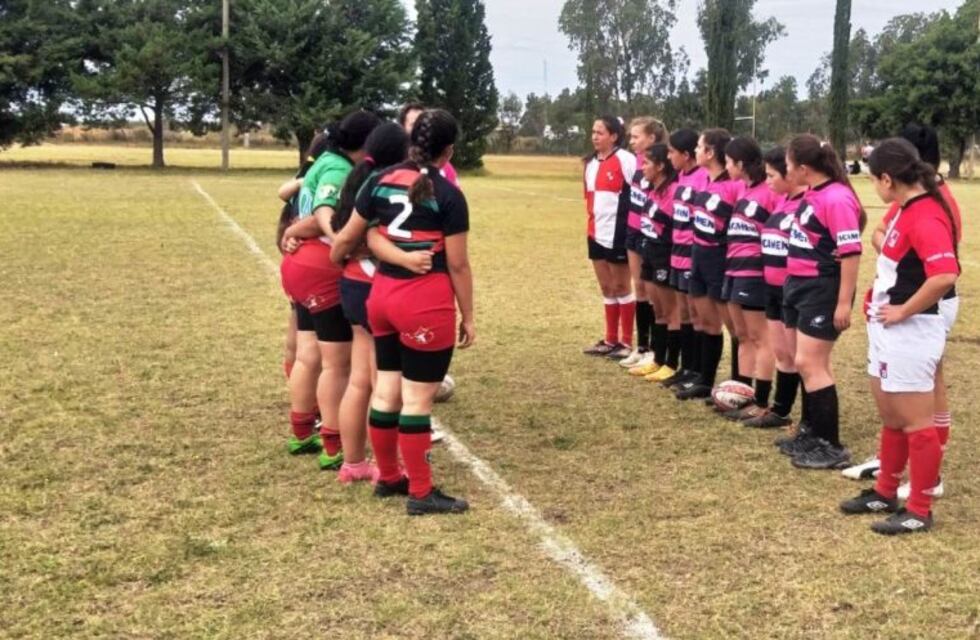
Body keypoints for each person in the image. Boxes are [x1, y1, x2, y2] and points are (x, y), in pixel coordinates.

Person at [333, 109, 475, 515]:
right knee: (417, 399)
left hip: (381, 297)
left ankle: (390, 476)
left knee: (385, 391)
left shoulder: (378, 179)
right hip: (423, 302)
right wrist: (469, 315)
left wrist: (337, 257)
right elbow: (458, 264)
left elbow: (354, 233)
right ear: (448, 151)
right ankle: (421, 491)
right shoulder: (448, 194)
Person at [839, 137, 959, 534]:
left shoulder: (926, 215)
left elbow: (944, 275)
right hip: (888, 331)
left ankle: (920, 509)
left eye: (874, 179)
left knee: (916, 422)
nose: (874, 186)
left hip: (911, 332)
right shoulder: (906, 209)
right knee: (893, 416)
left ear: (887, 179)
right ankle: (885, 491)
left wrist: (904, 310)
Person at [279, 110, 381, 468]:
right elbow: (323, 211)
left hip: (299, 265)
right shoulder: (339, 169)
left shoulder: (323, 159)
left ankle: (301, 432)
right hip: (321, 268)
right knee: (337, 365)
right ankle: (334, 447)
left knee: (308, 355)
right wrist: (340, 240)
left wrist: (293, 232)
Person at [327, 123, 416, 484]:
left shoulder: (358, 180)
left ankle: (353, 463)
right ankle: (388, 465)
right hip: (378, 287)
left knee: (359, 380)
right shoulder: (390, 186)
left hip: (352, 282)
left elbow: (341, 238)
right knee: (385, 382)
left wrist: (342, 259)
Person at [777, 135, 864, 470]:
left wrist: (843, 303)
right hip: (798, 285)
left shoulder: (837, 198)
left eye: (788, 165)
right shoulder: (812, 193)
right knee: (803, 362)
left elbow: (851, 253)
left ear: (803, 168)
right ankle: (810, 431)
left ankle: (831, 445)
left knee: (811, 363)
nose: (785, 171)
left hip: (822, 289)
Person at [675, 129, 744, 400]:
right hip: (698, 255)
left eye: (699, 146)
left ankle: (740, 386)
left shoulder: (735, 185)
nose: (695, 151)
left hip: (720, 258)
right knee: (704, 321)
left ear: (711, 152)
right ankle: (705, 380)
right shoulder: (703, 180)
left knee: (734, 327)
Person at [720, 136, 782, 420]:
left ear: (741, 163)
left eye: (729, 162)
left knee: (760, 338)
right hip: (733, 269)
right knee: (742, 335)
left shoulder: (769, 192)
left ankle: (761, 399)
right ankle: (741, 396)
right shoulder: (744, 190)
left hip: (754, 272)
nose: (726, 167)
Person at [743, 147, 804, 429]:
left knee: (802, 358)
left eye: (771, 175)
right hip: (772, 287)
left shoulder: (806, 203)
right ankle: (779, 411)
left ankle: (811, 420)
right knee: (782, 353)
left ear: (789, 174)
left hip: (794, 290)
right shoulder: (781, 202)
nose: (766, 180)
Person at [657, 129, 710, 387]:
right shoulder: (680, 177)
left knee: (697, 314)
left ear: (686, 154)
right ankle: (687, 368)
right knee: (685, 313)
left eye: (671, 152)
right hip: (676, 252)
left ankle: (699, 371)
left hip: (692, 254)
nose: (668, 157)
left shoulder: (702, 178)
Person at [581, 116, 637, 358]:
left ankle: (626, 342)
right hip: (595, 232)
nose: (595, 136)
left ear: (614, 136)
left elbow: (639, 193)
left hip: (618, 233)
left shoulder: (626, 160)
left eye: (600, 132)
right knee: (606, 287)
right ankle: (610, 339)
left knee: (621, 286)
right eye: (593, 132)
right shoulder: (590, 163)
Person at [627, 142, 681, 379]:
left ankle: (671, 363)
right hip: (648, 251)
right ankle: (657, 359)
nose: (643, 167)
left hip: (664, 255)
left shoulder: (673, 192)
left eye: (647, 163)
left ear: (660, 166)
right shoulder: (652, 190)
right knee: (658, 309)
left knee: (671, 311)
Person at [620, 117, 668, 368]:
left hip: (651, 234)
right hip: (633, 229)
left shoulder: (662, 164)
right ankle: (642, 346)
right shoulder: (635, 162)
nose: (632, 141)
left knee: (653, 292)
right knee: (639, 287)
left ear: (651, 138)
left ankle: (656, 350)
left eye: (636, 136)